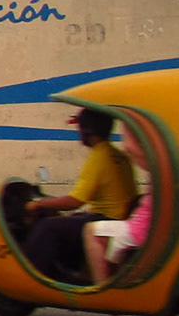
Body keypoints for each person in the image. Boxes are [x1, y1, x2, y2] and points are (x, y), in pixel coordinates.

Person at [23, 108, 138, 280]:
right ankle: (73, 273)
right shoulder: (119, 156)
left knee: (47, 227)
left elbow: (74, 201)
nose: (78, 133)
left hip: (106, 220)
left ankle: (28, 280)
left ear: (87, 130)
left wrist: (39, 203)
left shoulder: (99, 157)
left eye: (79, 129)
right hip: (118, 218)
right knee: (73, 220)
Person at [82, 122, 153, 285]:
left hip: (141, 229)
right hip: (141, 224)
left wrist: (126, 121)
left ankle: (102, 288)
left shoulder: (160, 164)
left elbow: (131, 148)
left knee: (90, 230)